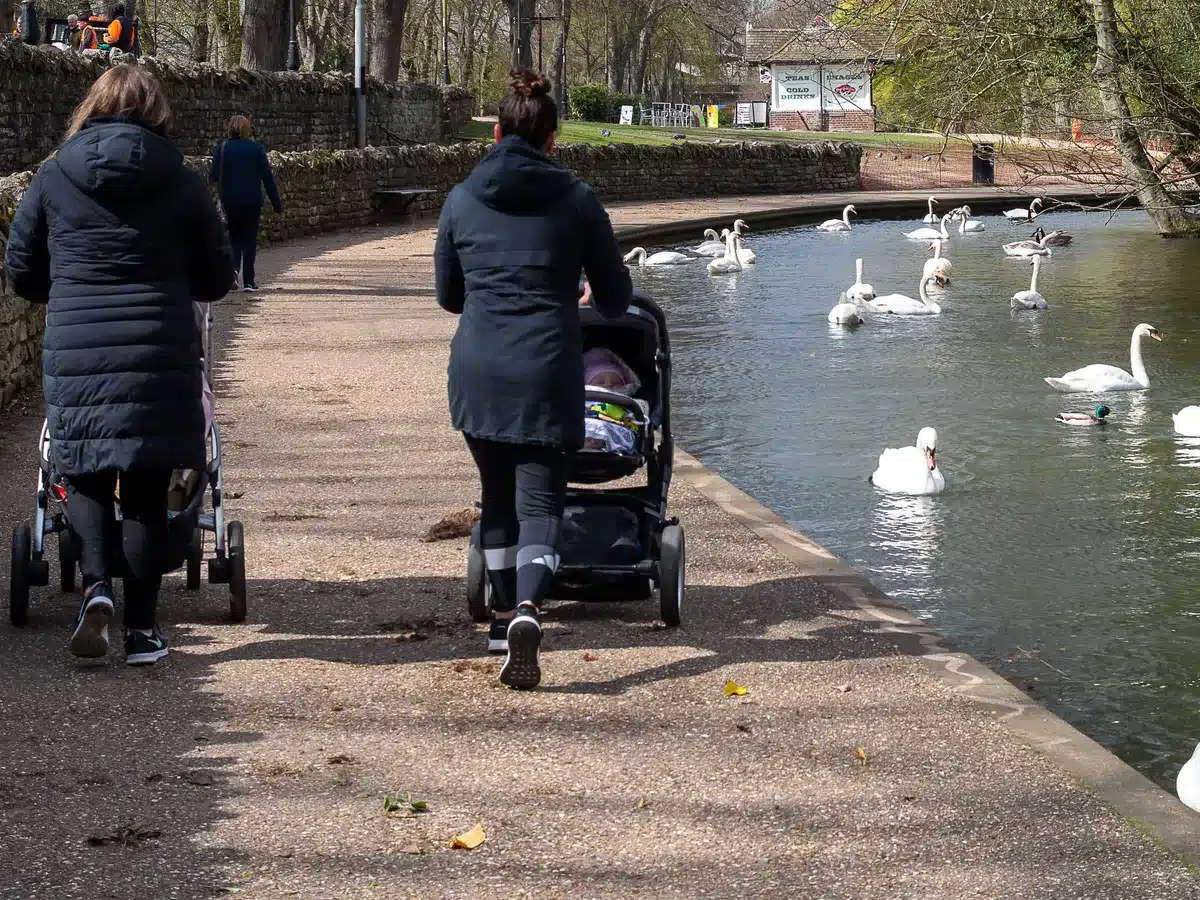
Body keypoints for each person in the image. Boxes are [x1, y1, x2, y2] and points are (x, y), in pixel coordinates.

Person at [3, 65, 233, 666]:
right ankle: (142, 631)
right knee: (149, 489)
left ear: (90, 107)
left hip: (80, 346)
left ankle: (95, 590)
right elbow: (216, 275)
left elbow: (22, 269)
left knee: (83, 475)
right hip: (158, 349)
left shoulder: (54, 178)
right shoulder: (181, 182)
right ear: (157, 113)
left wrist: (68, 285)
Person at [435, 68, 632, 690]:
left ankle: (498, 619)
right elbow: (616, 298)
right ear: (553, 141)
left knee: (495, 494)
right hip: (545, 365)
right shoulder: (576, 200)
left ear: (494, 134)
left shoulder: (463, 198)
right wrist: (572, 286)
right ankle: (526, 609)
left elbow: (449, 295)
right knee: (541, 502)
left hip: (480, 368)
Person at [209, 114, 283, 292]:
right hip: (251, 201)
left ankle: (233, 272)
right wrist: (277, 204)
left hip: (230, 201)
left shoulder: (223, 148)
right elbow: (268, 179)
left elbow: (212, 176)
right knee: (249, 240)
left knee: (233, 239)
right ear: (247, 129)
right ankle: (249, 281)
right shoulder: (256, 149)